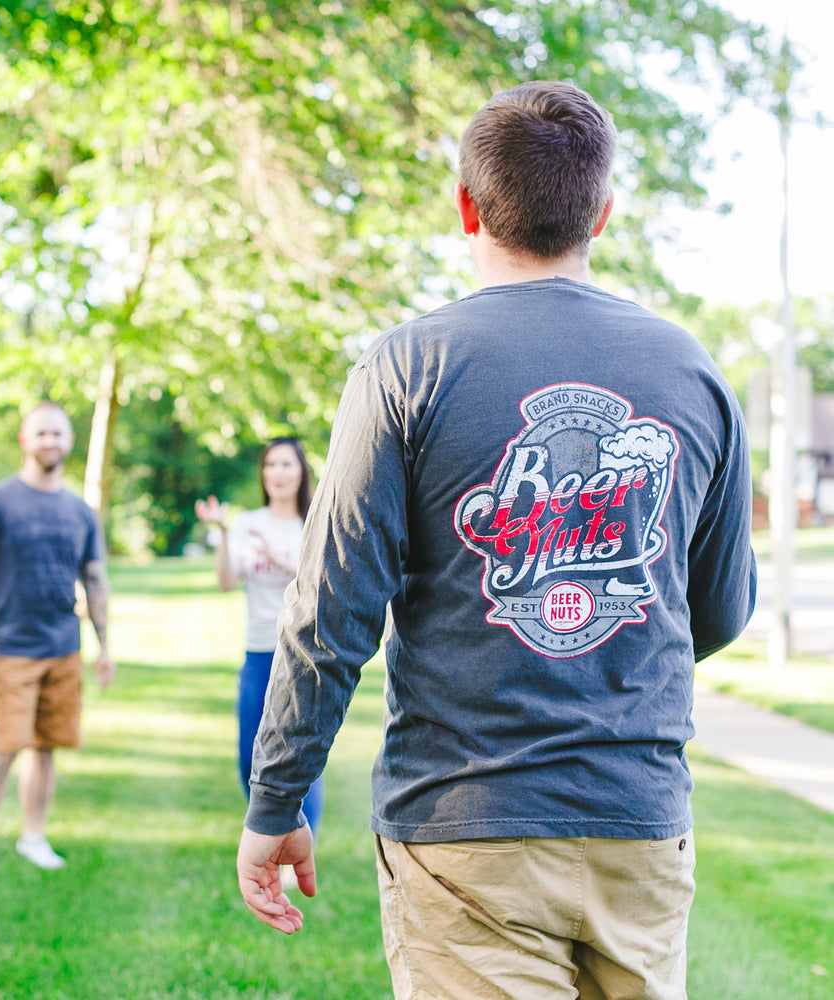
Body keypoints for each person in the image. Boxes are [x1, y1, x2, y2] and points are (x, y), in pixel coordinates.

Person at [236, 81, 757, 1000]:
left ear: (466, 207)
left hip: (462, 825)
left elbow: (330, 614)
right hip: (637, 817)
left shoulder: (407, 367)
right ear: (603, 210)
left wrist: (277, 798)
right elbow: (715, 608)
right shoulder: (691, 371)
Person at [0, 401, 115, 875]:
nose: (50, 442)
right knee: (6, 746)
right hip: (12, 648)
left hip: (65, 648)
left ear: (69, 442)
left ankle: (33, 836)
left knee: (46, 747)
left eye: (58, 434)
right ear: (25, 440)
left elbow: (96, 580)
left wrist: (105, 645)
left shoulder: (80, 511)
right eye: (41, 434)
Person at [195, 437, 323, 835]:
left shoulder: (316, 524)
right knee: (248, 757)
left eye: (287, 464)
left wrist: (279, 558)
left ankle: (300, 842)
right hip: (258, 651)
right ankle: (269, 834)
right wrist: (220, 532)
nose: (278, 473)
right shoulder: (247, 524)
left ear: (301, 472)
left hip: (302, 654)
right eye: (271, 465)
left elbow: (321, 584)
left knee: (299, 753)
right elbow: (225, 582)